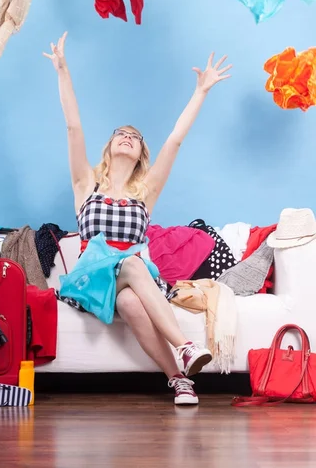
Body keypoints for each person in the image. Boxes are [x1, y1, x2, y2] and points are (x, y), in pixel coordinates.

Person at [43, 32, 232, 405]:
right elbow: (73, 127)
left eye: (135, 136)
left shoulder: (145, 194)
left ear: (142, 151)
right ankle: (186, 345)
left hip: (131, 280)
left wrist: (202, 91)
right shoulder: (87, 185)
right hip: (92, 279)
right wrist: (63, 72)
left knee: (130, 301)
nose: (127, 137)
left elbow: (175, 140)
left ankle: (179, 380)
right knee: (131, 261)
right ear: (110, 146)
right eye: (120, 133)